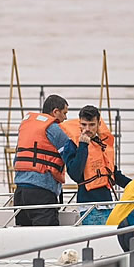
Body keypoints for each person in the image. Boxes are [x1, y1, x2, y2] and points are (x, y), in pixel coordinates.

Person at [12, 94, 81, 226]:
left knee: (24, 232)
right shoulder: (54, 129)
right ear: (55, 112)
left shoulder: (26, 128)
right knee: (47, 236)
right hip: (41, 192)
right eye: (64, 113)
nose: (66, 118)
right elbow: (71, 155)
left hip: (20, 193)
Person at [59, 105, 131, 224]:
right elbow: (75, 174)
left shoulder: (101, 145)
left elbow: (113, 174)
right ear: (79, 125)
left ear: (98, 124)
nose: (87, 128)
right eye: (84, 125)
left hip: (108, 204)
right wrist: (83, 146)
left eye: (92, 125)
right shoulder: (71, 145)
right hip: (89, 208)